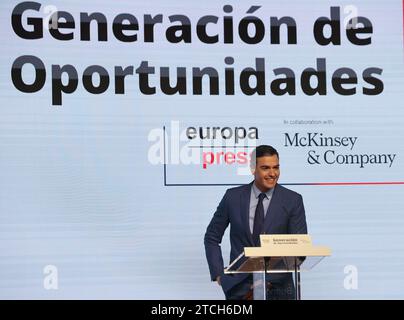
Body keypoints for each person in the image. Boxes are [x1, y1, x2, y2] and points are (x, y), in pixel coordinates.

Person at [204, 145, 308, 300]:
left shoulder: (293, 200)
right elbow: (212, 237)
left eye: (276, 167)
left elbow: (299, 249)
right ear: (253, 169)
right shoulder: (232, 197)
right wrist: (219, 275)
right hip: (239, 289)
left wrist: (265, 279)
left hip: (279, 291)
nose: (272, 173)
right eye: (265, 168)